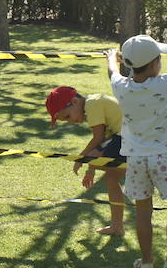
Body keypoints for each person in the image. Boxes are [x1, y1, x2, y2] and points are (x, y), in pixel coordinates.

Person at [107, 35, 167, 268]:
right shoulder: (164, 84)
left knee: (142, 212)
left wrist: (112, 58)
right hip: (163, 157)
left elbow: (112, 73)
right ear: (154, 64)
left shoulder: (121, 87)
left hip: (136, 160)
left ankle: (147, 262)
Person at [46, 85, 126, 237]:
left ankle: (117, 225)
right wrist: (91, 169)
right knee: (111, 178)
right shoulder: (92, 106)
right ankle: (117, 226)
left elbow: (98, 139)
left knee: (103, 164)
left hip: (128, 136)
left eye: (67, 116)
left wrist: (81, 159)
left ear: (75, 101)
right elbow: (103, 142)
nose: (70, 122)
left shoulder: (92, 104)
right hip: (124, 136)